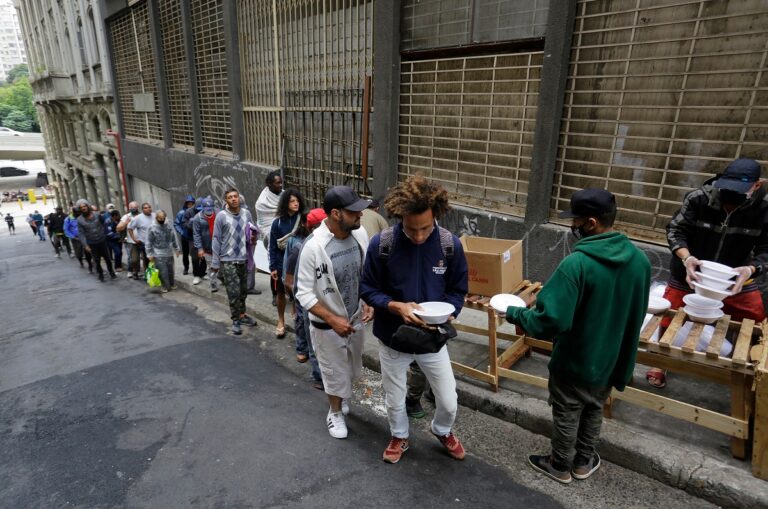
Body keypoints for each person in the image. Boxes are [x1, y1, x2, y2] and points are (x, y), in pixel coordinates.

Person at [505, 188, 650, 484]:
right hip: (611, 357)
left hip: (575, 358)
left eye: (576, 220)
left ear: (592, 223)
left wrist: (515, 313)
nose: (573, 227)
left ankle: (560, 464)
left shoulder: (577, 264)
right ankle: (583, 461)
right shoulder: (640, 261)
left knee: (568, 409)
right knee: (595, 405)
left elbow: (550, 320)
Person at [360, 176, 469, 463]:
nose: (419, 236)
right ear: (400, 218)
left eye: (425, 228)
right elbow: (368, 289)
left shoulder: (449, 245)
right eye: (411, 228)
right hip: (393, 336)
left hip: (433, 337)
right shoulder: (381, 244)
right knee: (395, 397)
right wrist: (395, 305)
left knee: (448, 399)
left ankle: (442, 429)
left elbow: (458, 290)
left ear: (436, 216)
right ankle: (399, 436)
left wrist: (451, 311)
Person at [646, 158, 768, 388]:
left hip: (735, 277)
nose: (730, 195)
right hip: (691, 273)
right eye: (727, 188)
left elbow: (766, 249)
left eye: (739, 190)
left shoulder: (764, 210)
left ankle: (747, 373)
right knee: (669, 312)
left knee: (756, 316)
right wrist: (687, 258)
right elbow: (675, 230)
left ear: (757, 185)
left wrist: (751, 269)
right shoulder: (699, 198)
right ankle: (660, 361)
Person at [295, 186, 373, 439]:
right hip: (326, 326)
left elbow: (364, 273)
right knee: (332, 371)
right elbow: (303, 293)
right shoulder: (313, 247)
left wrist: (367, 301)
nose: (361, 216)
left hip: (354, 319)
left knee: (351, 368)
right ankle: (335, 412)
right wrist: (332, 319)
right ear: (336, 214)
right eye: (355, 213)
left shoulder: (360, 235)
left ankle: (342, 397)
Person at [285, 208, 327, 388]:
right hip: (309, 304)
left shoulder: (329, 246)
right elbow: (289, 281)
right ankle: (318, 376)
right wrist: (299, 302)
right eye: (320, 225)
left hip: (325, 302)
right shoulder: (299, 249)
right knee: (313, 340)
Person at [211, 188, 258, 335]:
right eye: (230, 197)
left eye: (235, 196)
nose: (233, 199)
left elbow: (252, 231)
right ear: (226, 200)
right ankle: (235, 319)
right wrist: (215, 262)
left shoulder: (246, 214)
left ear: (239, 198)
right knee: (234, 292)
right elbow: (216, 239)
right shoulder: (221, 217)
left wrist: (254, 237)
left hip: (244, 258)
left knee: (243, 290)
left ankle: (242, 315)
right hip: (228, 259)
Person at [269, 188, 306, 338]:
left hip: (299, 261)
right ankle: (280, 320)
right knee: (280, 293)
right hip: (280, 262)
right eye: (292, 201)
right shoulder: (277, 223)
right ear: (285, 203)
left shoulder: (303, 219)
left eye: (297, 200)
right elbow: (272, 246)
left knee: (298, 291)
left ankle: (296, 312)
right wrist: (272, 267)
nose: (296, 203)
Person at [256, 170, 283, 305]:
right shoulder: (263, 202)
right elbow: (264, 223)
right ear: (269, 184)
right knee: (275, 267)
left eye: (281, 182)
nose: (280, 185)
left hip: (286, 235)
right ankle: (275, 293)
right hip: (271, 237)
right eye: (277, 183)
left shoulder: (284, 196)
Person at [76, 199, 117, 282]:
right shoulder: (79, 220)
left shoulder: (97, 215)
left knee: (107, 258)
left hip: (102, 240)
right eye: (81, 207)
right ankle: (100, 274)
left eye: (84, 206)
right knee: (96, 260)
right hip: (92, 242)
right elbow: (81, 233)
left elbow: (104, 224)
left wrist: (106, 235)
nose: (83, 208)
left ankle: (112, 272)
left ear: (88, 206)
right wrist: (85, 245)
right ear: (80, 209)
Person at [146, 210, 181, 293]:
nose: (161, 220)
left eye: (163, 218)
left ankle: (171, 284)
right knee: (162, 271)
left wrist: (177, 249)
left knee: (170, 270)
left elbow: (173, 238)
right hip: (158, 253)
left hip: (168, 252)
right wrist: (149, 254)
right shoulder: (152, 227)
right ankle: (165, 286)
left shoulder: (168, 226)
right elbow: (148, 242)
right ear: (156, 218)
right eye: (159, 218)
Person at [192, 197, 219, 293]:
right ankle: (213, 285)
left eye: (210, 208)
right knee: (211, 266)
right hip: (207, 247)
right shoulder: (197, 218)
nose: (209, 211)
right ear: (202, 208)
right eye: (207, 209)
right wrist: (199, 249)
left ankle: (223, 279)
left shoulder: (219, 214)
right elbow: (196, 235)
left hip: (219, 246)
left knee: (222, 267)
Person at [127, 203, 155, 281]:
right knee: (135, 260)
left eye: (149, 207)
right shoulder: (138, 218)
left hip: (151, 243)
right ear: (142, 210)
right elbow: (129, 228)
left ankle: (148, 275)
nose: (148, 209)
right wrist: (134, 239)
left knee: (148, 260)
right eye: (146, 208)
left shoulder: (154, 216)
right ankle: (135, 272)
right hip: (140, 242)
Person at [117, 201, 144, 279]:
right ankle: (134, 271)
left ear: (137, 207)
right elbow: (118, 228)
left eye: (134, 207)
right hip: (132, 241)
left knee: (145, 258)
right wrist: (126, 222)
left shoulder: (142, 215)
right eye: (131, 207)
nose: (133, 209)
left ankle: (145, 273)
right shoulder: (126, 216)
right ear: (129, 208)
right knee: (134, 259)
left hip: (143, 240)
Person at [183, 197, 207, 284]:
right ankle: (196, 275)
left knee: (204, 256)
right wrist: (190, 223)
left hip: (204, 237)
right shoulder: (188, 212)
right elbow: (184, 224)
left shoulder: (205, 211)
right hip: (192, 238)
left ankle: (203, 273)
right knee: (195, 257)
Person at [65, 207, 92, 272]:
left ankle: (90, 265)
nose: (79, 214)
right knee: (79, 252)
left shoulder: (83, 217)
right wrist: (73, 237)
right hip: (75, 238)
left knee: (87, 251)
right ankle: (80, 261)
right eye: (77, 213)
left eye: (80, 213)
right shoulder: (68, 219)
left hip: (85, 237)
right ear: (74, 212)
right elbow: (66, 230)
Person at [174, 194, 196, 275]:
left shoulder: (196, 211)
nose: (190, 205)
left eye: (191, 203)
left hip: (194, 237)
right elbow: (176, 224)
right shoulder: (181, 213)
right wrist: (182, 232)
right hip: (185, 237)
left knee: (194, 255)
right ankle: (186, 268)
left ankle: (195, 270)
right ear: (186, 204)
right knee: (185, 254)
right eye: (188, 203)